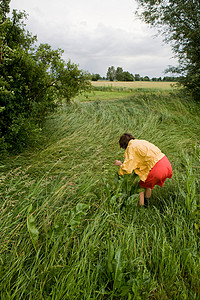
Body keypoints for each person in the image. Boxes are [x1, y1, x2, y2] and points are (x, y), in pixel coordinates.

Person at [115, 133, 173, 206]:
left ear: (123, 144)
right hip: (166, 163)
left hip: (158, 168)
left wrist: (120, 165)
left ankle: (141, 208)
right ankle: (147, 203)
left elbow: (128, 167)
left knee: (140, 188)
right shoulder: (141, 142)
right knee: (146, 183)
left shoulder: (131, 147)